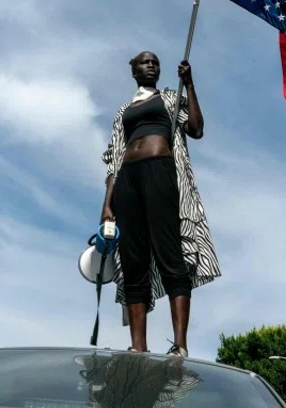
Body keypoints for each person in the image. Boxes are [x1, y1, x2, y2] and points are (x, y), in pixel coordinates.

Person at [100, 51, 221, 357]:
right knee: (133, 260)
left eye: (155, 61)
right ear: (133, 70)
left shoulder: (171, 97)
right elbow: (114, 158)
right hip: (128, 178)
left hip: (161, 170)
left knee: (170, 253)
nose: (151, 64)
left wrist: (189, 85)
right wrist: (107, 204)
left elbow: (196, 129)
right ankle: (138, 346)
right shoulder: (123, 111)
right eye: (144, 61)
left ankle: (179, 344)